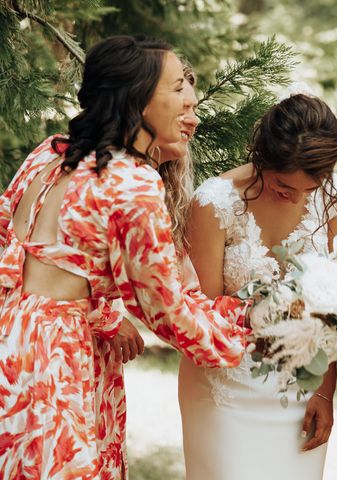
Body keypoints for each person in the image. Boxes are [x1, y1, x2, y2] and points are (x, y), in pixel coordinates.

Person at [0, 36, 247, 479]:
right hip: (54, 354)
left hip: (10, 331)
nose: (189, 99)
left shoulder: (51, 153)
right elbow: (161, 306)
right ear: (138, 96)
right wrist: (237, 332)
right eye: (176, 88)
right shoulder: (133, 181)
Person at [178, 93, 337, 479]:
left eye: (308, 189)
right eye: (282, 186)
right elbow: (203, 315)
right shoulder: (213, 202)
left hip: (300, 391)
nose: (294, 197)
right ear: (262, 157)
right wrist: (262, 317)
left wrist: (324, 393)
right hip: (223, 390)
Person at [92, 64, 202, 478]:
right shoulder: (99, 170)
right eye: (182, 106)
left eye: (195, 107)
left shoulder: (158, 187)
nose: (193, 119)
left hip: (102, 363)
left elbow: (180, 286)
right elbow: (29, 255)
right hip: (60, 344)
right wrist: (105, 318)